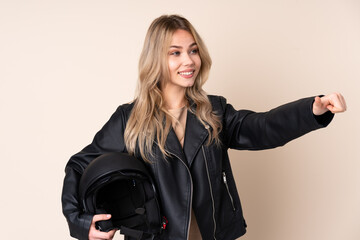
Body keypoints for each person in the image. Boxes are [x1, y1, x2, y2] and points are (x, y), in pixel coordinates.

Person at [61, 14, 347, 240]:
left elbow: (262, 127)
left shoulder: (214, 110)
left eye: (193, 50)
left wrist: (313, 109)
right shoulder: (129, 118)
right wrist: (81, 221)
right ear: (156, 60)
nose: (188, 61)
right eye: (175, 53)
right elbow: (79, 166)